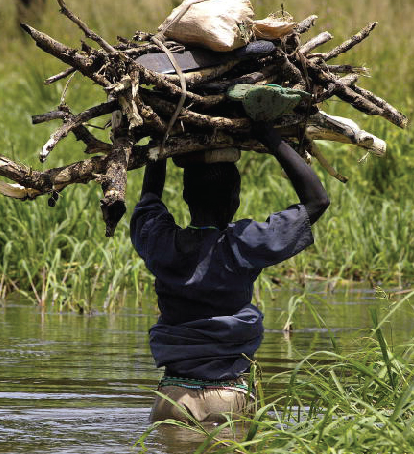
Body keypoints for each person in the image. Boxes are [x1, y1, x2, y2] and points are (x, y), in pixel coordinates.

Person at [130, 122, 329, 424]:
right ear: (235, 200)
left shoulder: (162, 244)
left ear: (186, 196)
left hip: (172, 398)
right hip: (227, 396)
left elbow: (149, 199)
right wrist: (270, 137)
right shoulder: (242, 244)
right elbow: (318, 201)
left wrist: (161, 139)